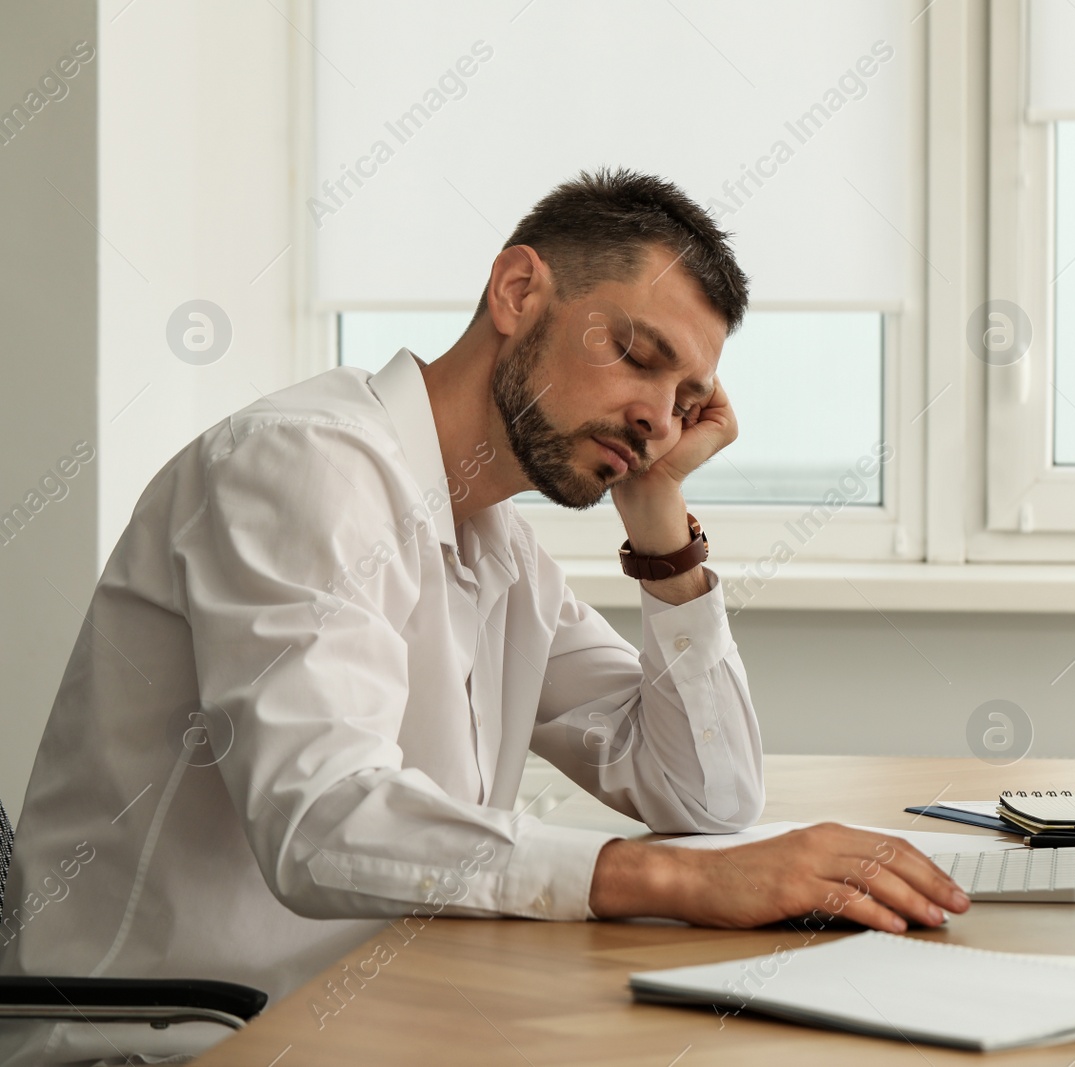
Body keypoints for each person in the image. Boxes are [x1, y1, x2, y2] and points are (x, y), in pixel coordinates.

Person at [0, 170, 969, 1065]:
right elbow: (323, 819)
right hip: (172, 1041)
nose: (657, 418)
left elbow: (704, 795)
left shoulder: (490, 536)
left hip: (372, 1017)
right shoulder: (301, 465)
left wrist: (659, 516)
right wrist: (684, 882)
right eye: (637, 355)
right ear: (517, 292)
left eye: (683, 400)